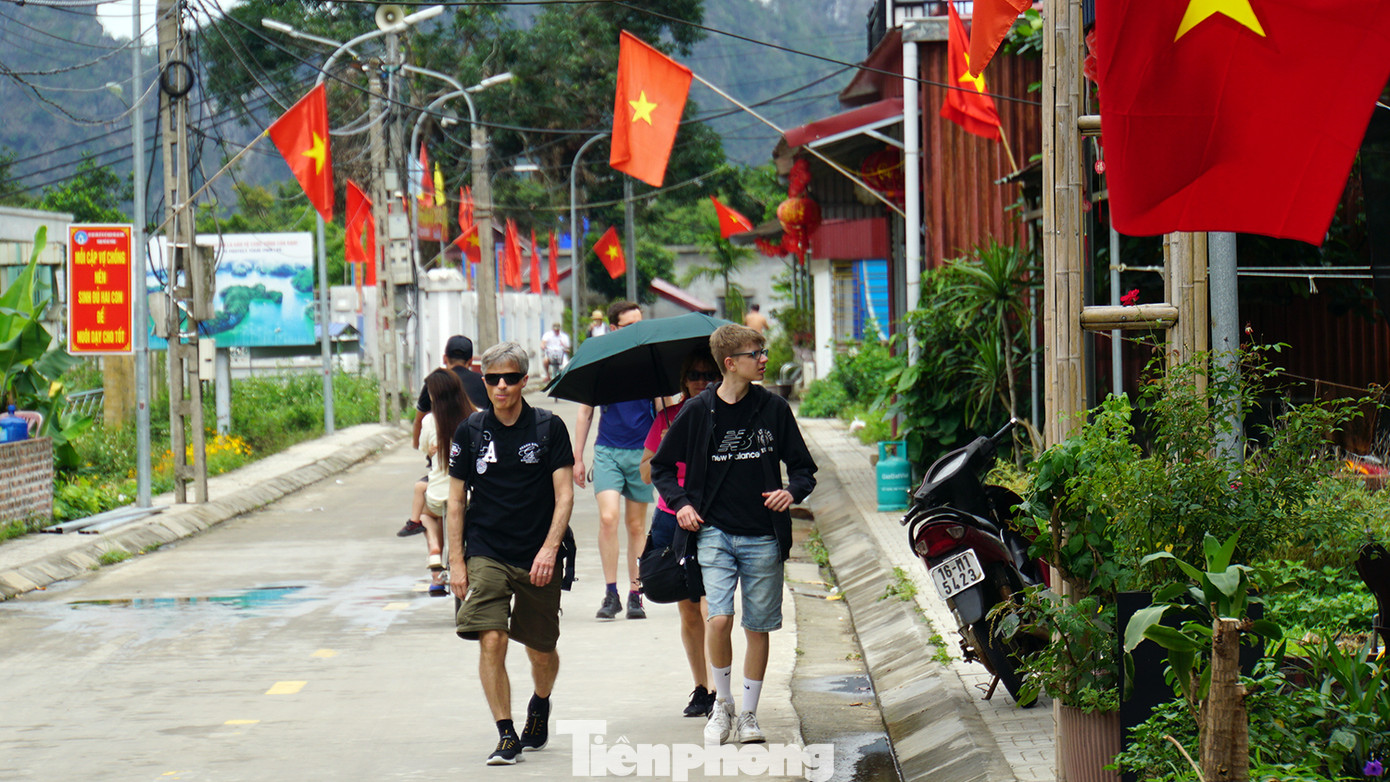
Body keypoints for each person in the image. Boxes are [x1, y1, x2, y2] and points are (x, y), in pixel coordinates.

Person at [650, 324, 818, 746]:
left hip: (763, 535)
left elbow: (803, 469)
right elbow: (661, 467)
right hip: (714, 533)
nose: (763, 359)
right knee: (720, 618)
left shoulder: (773, 409)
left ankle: (749, 714)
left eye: (763, 351)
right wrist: (682, 504)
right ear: (730, 363)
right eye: (755, 353)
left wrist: (791, 492)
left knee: (757, 626)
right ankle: (722, 704)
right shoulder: (697, 411)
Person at [447, 341, 575, 766]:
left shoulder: (548, 428)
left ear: (523, 381)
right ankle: (506, 733)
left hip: (538, 551)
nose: (501, 386)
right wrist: (456, 561)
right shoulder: (470, 432)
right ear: (483, 382)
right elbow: (455, 501)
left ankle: (540, 702)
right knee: (492, 637)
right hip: (487, 550)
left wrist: (550, 550)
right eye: (493, 379)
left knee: (541, 650)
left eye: (510, 378)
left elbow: (564, 495)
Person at [639, 348, 721, 718]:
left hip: (712, 518)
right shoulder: (666, 418)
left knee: (711, 606)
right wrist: (670, 443)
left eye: (709, 375)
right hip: (670, 519)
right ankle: (701, 687)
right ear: (684, 381)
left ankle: (719, 689)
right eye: (695, 375)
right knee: (688, 609)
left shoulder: (723, 415)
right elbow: (646, 473)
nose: (702, 382)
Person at [573, 301, 659, 621]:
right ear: (613, 328)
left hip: (642, 453)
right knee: (608, 518)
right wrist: (578, 458)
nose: (637, 331)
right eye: (629, 326)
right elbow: (585, 412)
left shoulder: (650, 362)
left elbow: (663, 409)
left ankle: (636, 593)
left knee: (636, 526)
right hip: (608, 450)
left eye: (640, 324)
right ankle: (611, 593)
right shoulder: (601, 361)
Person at [400, 334, 489, 537]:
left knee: (429, 507)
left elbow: (419, 420)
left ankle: (435, 550)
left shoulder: (436, 382)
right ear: (470, 361)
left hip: (441, 455)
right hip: (477, 463)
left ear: (444, 358)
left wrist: (420, 447)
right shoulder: (482, 383)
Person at [416, 368, 473, 595]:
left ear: (434, 395)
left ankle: (435, 552)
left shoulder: (429, 421)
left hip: (438, 495)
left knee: (426, 515)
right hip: (470, 494)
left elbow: (423, 448)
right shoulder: (474, 416)